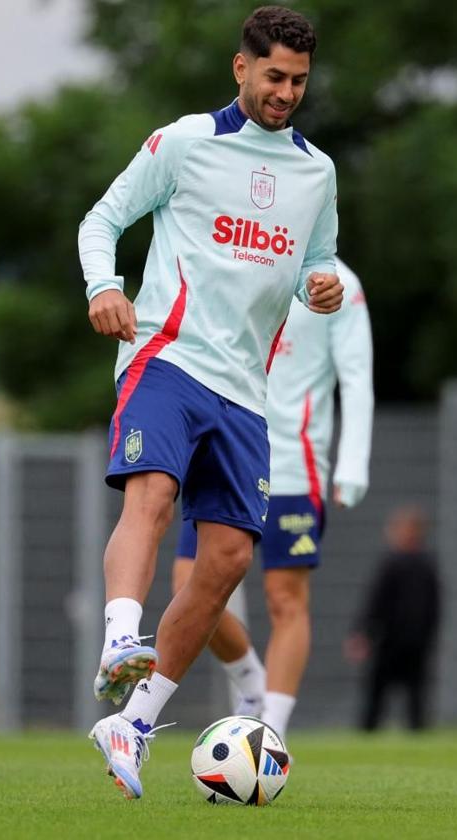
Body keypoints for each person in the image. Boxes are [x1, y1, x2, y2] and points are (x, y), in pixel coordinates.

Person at [77, 5, 342, 799]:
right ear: (241, 68)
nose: (285, 93)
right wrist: (103, 285)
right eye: (273, 77)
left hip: (244, 393)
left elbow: (316, 261)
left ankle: (133, 720)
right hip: (165, 357)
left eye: (298, 81)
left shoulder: (317, 173)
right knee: (151, 497)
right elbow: (103, 219)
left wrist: (320, 284)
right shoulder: (186, 140)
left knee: (226, 561)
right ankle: (121, 637)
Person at [169, 255, 373, 740]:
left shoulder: (340, 282)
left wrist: (353, 462)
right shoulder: (238, 257)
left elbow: (357, 373)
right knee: (189, 587)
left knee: (286, 599)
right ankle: (253, 684)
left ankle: (272, 732)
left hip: (293, 469)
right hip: (224, 457)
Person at [344, 506, 439, 731]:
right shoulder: (396, 563)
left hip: (411, 643)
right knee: (377, 695)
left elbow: (433, 607)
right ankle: (369, 732)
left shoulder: (421, 565)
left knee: (415, 697)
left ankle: (415, 733)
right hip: (389, 642)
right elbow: (375, 603)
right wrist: (363, 633)